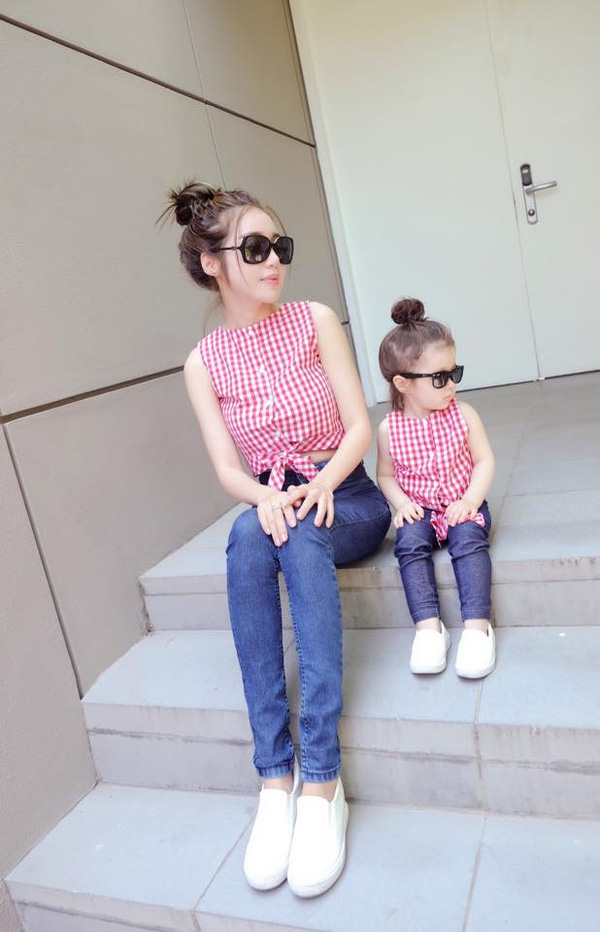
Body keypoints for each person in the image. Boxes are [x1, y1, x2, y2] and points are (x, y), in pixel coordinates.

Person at [163, 181, 391, 898]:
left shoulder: (314, 320)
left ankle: (320, 780)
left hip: (348, 496)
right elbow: (228, 470)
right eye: (256, 248)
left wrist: (322, 485)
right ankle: (275, 777)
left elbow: (359, 426)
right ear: (212, 263)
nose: (274, 262)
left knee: (293, 535)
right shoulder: (203, 363)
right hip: (276, 499)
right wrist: (266, 496)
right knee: (252, 531)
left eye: (280, 247)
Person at [376, 298, 496, 678]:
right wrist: (401, 504)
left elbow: (484, 461)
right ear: (403, 384)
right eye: (440, 377)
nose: (452, 385)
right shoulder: (389, 429)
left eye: (454, 372)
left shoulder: (464, 414)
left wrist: (471, 500)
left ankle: (477, 628)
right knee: (409, 542)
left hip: (462, 502)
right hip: (422, 508)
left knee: (468, 539)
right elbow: (385, 476)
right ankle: (429, 629)